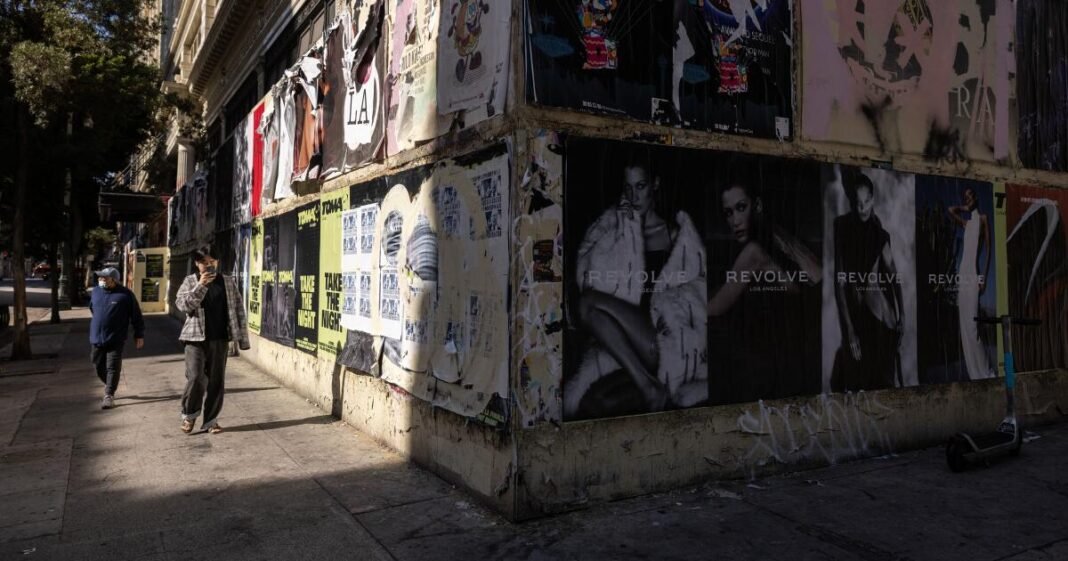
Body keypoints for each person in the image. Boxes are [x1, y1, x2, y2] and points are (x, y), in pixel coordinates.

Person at [565, 158, 707, 419]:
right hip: (628, 346)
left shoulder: (675, 237)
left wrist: (674, 322)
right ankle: (649, 386)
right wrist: (618, 230)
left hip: (659, 343)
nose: (634, 196)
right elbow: (588, 276)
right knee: (596, 403)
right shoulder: (616, 229)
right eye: (628, 188)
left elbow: (695, 300)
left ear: (655, 185)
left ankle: (648, 387)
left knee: (587, 302)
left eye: (641, 186)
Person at [707, 180, 822, 402]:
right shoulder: (778, 234)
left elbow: (714, 308)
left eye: (741, 207)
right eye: (728, 213)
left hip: (804, 356)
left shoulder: (754, 252)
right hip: (810, 344)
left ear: (757, 205)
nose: (735, 221)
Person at [830, 170, 904, 392]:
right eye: (857, 202)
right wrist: (849, 330)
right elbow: (839, 283)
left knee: (885, 385)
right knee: (855, 384)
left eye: (866, 202)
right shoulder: (842, 227)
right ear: (852, 201)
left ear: (872, 200)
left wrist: (903, 315)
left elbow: (894, 275)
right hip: (863, 318)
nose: (861, 208)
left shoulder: (881, 235)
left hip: (886, 320)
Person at [175, 245, 250, 434]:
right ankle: (189, 415)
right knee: (195, 378)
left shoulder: (227, 282)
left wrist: (243, 339)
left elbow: (239, 309)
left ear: (217, 262)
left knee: (216, 381)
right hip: (195, 339)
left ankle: (211, 421)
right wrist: (201, 286)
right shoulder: (190, 281)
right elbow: (183, 305)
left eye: (212, 261)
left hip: (220, 338)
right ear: (196, 264)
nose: (208, 265)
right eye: (203, 262)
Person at [948, 187, 994, 379]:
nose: (968, 199)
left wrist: (983, 279)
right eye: (965, 197)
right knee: (965, 328)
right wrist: (965, 207)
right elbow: (950, 210)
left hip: (974, 274)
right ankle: (974, 374)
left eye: (970, 196)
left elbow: (989, 250)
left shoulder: (983, 219)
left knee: (973, 328)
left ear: (976, 197)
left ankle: (986, 372)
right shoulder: (966, 223)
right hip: (963, 275)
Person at [88, 267, 145, 409]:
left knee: (113, 366)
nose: (101, 279)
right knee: (97, 364)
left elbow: (136, 316)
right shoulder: (96, 292)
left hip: (116, 338)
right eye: (100, 277)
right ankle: (110, 383)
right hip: (96, 337)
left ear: (114, 280)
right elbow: (92, 308)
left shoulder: (125, 295)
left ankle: (109, 395)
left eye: (104, 277)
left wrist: (139, 334)